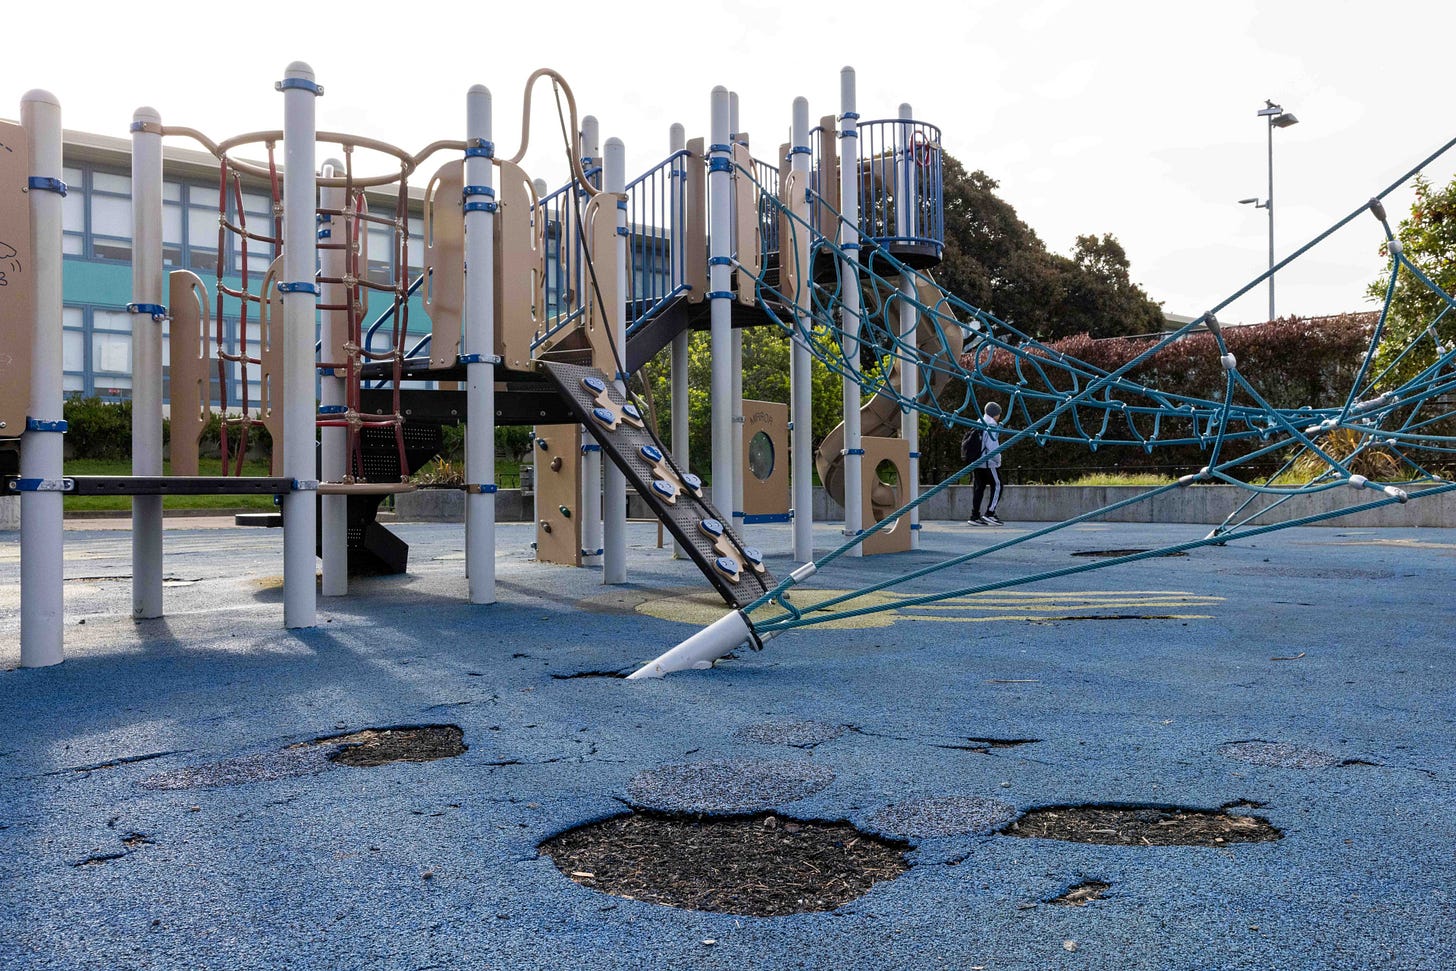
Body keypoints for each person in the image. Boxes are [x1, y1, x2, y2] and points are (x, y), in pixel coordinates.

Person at [964, 401, 1004, 526]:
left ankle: (974, 516)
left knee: (979, 488)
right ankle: (990, 513)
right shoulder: (991, 426)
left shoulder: (979, 422)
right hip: (988, 462)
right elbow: (993, 448)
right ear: (995, 414)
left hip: (977, 461)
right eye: (999, 414)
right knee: (998, 485)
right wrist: (998, 461)